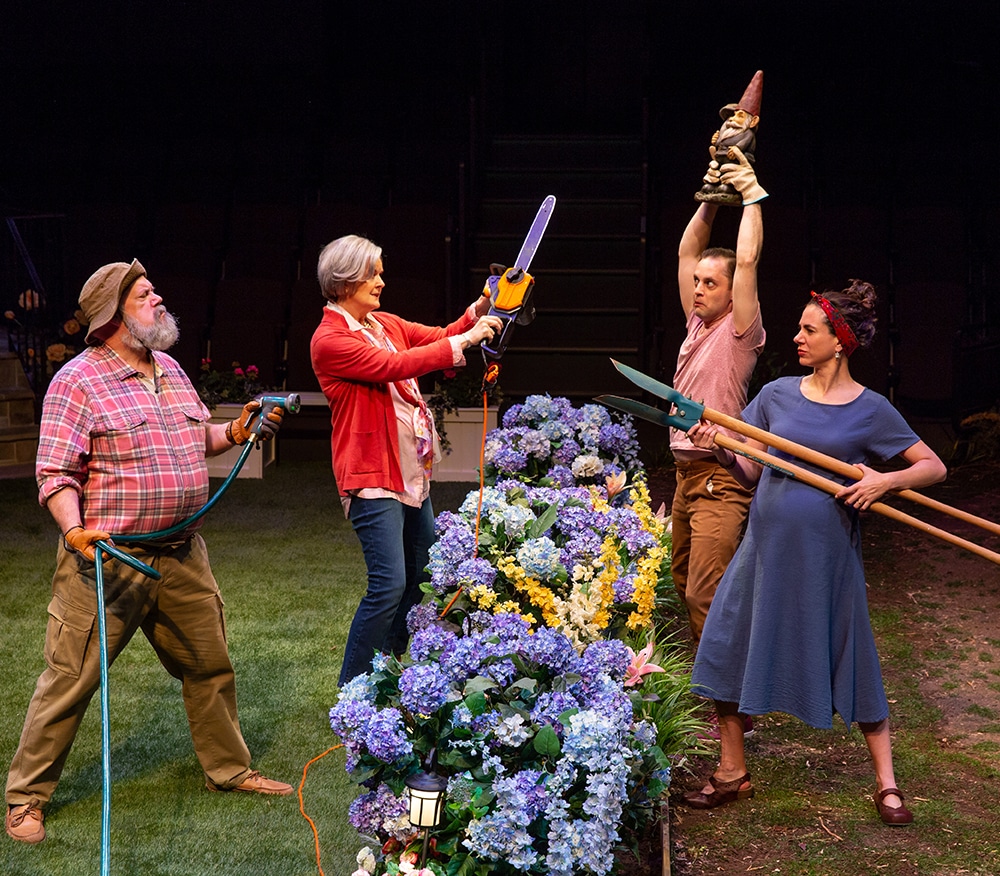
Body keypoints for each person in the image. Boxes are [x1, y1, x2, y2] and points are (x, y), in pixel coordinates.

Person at [5, 260, 293, 846]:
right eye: (146, 294)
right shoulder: (78, 381)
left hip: (182, 554)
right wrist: (74, 529)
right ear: (113, 315)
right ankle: (24, 799)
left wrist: (235, 432)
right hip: (108, 562)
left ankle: (228, 769)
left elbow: (195, 437)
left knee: (209, 666)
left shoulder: (170, 368)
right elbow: (55, 472)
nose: (160, 298)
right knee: (69, 680)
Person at [683, 280, 947, 826]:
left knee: (852, 656)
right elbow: (753, 469)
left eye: (809, 329)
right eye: (800, 328)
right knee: (726, 645)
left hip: (826, 556)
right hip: (763, 550)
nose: (798, 337)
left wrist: (884, 481)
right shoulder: (777, 395)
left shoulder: (871, 410)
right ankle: (732, 770)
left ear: (839, 341)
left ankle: (887, 784)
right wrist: (722, 452)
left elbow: (933, 466)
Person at [310, 235, 502, 686]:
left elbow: (438, 337)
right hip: (372, 478)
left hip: (410, 474)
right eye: (372, 272)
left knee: (419, 573)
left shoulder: (382, 323)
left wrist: (478, 309)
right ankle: (352, 690)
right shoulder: (330, 340)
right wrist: (470, 338)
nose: (381, 280)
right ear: (343, 281)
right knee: (389, 583)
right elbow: (395, 365)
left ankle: (388, 668)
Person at [670, 156, 767, 665]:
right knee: (685, 583)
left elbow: (747, 261)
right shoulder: (697, 323)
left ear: (733, 295)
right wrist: (711, 193)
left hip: (720, 478)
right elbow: (689, 248)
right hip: (687, 477)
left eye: (711, 283)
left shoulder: (738, 331)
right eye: (699, 282)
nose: (700, 289)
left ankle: (731, 707)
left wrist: (749, 193)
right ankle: (719, 691)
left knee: (705, 594)